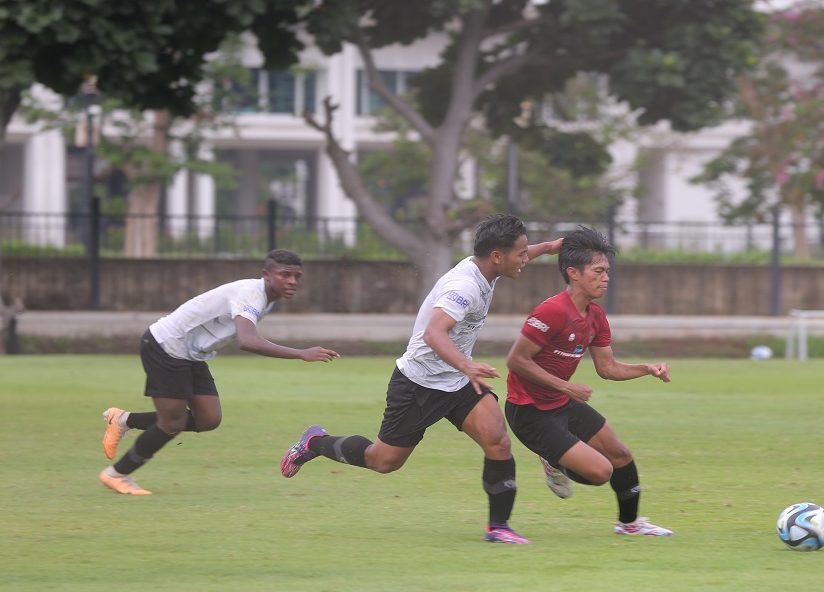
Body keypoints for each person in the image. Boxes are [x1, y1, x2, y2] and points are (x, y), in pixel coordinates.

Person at [280, 214, 562, 545]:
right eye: (522, 253)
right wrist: (468, 366)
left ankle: (498, 527)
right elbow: (433, 333)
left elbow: (519, 253)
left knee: (498, 441)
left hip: (456, 380)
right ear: (498, 256)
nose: (526, 259)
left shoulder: (490, 266)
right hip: (419, 383)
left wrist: (552, 247)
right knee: (383, 461)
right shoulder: (465, 286)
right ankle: (315, 441)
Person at [99, 249, 340, 495]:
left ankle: (122, 420)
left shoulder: (267, 297)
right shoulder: (251, 294)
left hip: (192, 355)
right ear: (267, 275)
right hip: (166, 346)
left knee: (208, 419)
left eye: (297, 276)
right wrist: (300, 353)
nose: (292, 281)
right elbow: (247, 341)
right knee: (172, 422)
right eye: (285, 275)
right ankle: (117, 474)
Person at [503, 226, 674, 537]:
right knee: (600, 473)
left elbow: (607, 368)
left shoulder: (595, 315)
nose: (606, 278)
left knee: (620, 454)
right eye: (599, 270)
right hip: (529, 410)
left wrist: (647, 368)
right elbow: (516, 361)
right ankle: (552, 458)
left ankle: (630, 525)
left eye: (607, 271)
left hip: (561, 402)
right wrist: (566, 386)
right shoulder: (552, 311)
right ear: (574, 273)